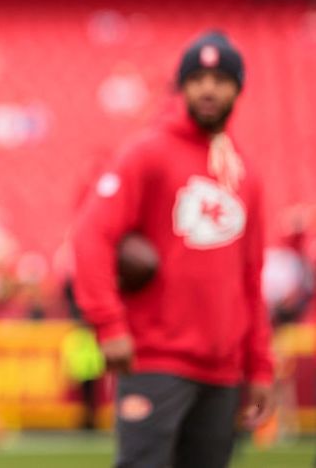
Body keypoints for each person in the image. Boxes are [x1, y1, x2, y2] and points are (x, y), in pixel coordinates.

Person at [73, 31, 274, 468]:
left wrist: (259, 367)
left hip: (222, 371)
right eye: (198, 77)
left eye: (220, 78)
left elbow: (251, 278)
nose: (208, 87)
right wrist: (108, 324)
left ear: (237, 89)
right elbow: (89, 236)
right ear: (181, 86)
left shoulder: (245, 175)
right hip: (154, 359)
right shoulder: (148, 152)